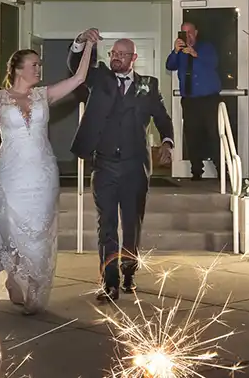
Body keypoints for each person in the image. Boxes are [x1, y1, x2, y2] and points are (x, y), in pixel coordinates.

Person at [0, 46, 93, 314]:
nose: (38, 69)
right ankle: (13, 274)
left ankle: (36, 285)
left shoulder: (42, 95)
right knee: (10, 226)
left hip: (42, 173)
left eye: (39, 65)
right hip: (11, 172)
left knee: (40, 231)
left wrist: (88, 44)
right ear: (18, 68)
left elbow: (79, 78)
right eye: (34, 65)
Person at [67, 28, 174, 302]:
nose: (116, 58)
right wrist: (81, 42)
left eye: (122, 55)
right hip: (104, 165)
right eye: (113, 53)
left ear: (133, 58)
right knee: (107, 225)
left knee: (131, 223)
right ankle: (110, 281)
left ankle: (129, 271)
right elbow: (74, 67)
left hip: (135, 166)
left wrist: (167, 143)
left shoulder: (147, 85)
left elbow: (162, 119)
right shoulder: (99, 78)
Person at [165, 21, 220, 180]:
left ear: (195, 33)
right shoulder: (180, 52)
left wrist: (196, 54)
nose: (187, 35)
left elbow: (214, 63)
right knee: (192, 135)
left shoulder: (206, 48)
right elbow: (169, 65)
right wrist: (175, 51)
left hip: (209, 100)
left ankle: (223, 171)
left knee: (213, 135)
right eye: (183, 32)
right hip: (190, 100)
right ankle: (196, 171)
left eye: (189, 32)